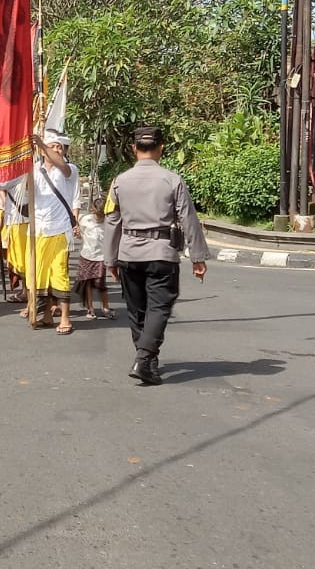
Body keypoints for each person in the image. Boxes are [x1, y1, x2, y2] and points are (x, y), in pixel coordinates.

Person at [104, 125, 209, 386]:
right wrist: (197, 257)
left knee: (137, 310)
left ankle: (148, 362)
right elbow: (188, 219)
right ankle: (144, 357)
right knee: (159, 308)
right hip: (161, 253)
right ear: (161, 147)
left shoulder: (119, 181)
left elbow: (111, 221)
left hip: (128, 252)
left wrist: (110, 259)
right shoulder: (172, 180)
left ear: (133, 148)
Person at [29, 129, 80, 334]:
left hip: (60, 229)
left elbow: (63, 167)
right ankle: (46, 315)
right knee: (42, 274)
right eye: (53, 146)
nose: (57, 149)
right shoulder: (33, 169)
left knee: (60, 273)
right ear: (42, 152)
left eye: (59, 147)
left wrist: (41, 144)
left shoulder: (69, 170)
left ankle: (65, 318)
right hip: (39, 230)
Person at [76, 181, 112, 319]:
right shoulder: (85, 219)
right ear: (93, 210)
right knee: (88, 283)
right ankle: (90, 308)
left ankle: (106, 307)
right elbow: (79, 230)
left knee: (100, 283)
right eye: (98, 214)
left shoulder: (108, 223)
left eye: (102, 215)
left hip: (101, 257)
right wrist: (78, 232)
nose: (99, 217)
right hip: (86, 255)